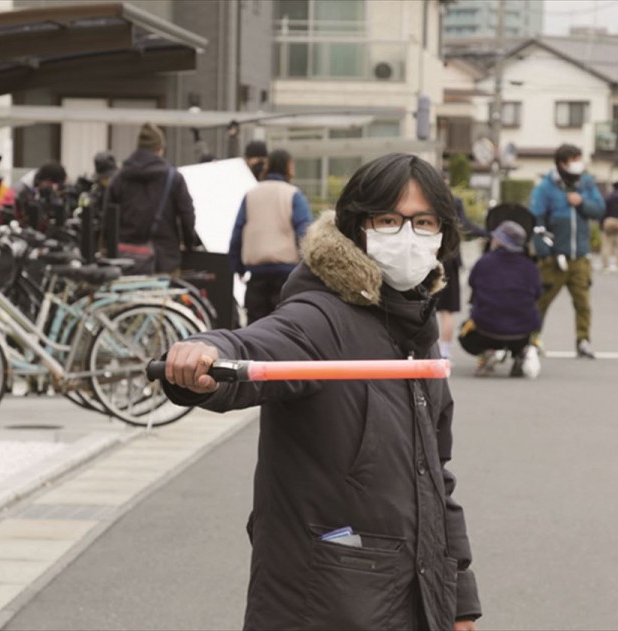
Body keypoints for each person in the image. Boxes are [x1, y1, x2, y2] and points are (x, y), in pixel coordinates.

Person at [160, 153, 481, 631]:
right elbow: (259, 346)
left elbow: (436, 472)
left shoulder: (417, 327)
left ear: (443, 235)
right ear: (358, 227)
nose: (408, 235)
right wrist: (206, 350)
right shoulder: (322, 316)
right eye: (389, 220)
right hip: (323, 603)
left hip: (413, 599)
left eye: (423, 222)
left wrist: (458, 599)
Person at [529, 143, 605, 358]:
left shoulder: (586, 184)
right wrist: (546, 252)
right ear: (561, 164)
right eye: (573, 160)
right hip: (554, 258)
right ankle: (533, 339)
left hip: (580, 255)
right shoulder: (545, 188)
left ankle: (583, 340)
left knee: (583, 303)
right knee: (541, 301)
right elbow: (536, 221)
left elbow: (599, 210)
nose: (577, 165)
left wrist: (581, 203)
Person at [228, 149, 313, 324]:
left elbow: (238, 232)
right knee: (285, 327)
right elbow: (305, 233)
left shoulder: (251, 194)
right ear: (288, 167)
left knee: (255, 330)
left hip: (256, 276)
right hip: (287, 276)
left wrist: (237, 267)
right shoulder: (293, 195)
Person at [108, 123, 200, 274]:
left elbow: (109, 218)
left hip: (126, 261)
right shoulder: (173, 178)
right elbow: (187, 215)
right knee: (165, 298)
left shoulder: (120, 178)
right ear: (160, 150)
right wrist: (189, 244)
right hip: (164, 260)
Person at [459, 219, 542, 378]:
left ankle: (488, 352)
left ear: (500, 241)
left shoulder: (484, 263)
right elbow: (538, 293)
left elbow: (472, 284)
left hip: (486, 329)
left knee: (465, 334)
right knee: (528, 321)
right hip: (523, 331)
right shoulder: (529, 266)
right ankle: (522, 352)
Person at [436, 178, 488, 359]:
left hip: (425, 258)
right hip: (449, 260)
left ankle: (424, 353)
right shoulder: (453, 201)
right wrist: (487, 233)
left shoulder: (423, 200)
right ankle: (444, 353)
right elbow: (465, 226)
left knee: (420, 308)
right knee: (446, 310)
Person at [601, 182, 618, 271]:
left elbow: (603, 210)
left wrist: (601, 223)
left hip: (609, 220)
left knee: (607, 244)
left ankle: (606, 266)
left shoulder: (609, 198)